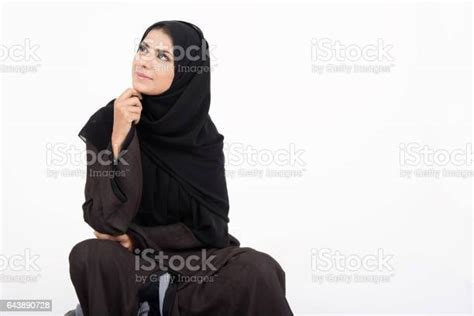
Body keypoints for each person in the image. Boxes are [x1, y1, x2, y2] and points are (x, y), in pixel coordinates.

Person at [68, 20, 294, 316]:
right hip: (136, 263)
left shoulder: (202, 137)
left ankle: (159, 300)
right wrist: (118, 139)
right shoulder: (109, 121)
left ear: (187, 73)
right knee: (89, 255)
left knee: (258, 267)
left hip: (195, 264)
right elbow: (103, 222)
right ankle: (155, 295)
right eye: (143, 49)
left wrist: (140, 239)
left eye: (163, 56)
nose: (145, 61)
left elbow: (211, 227)